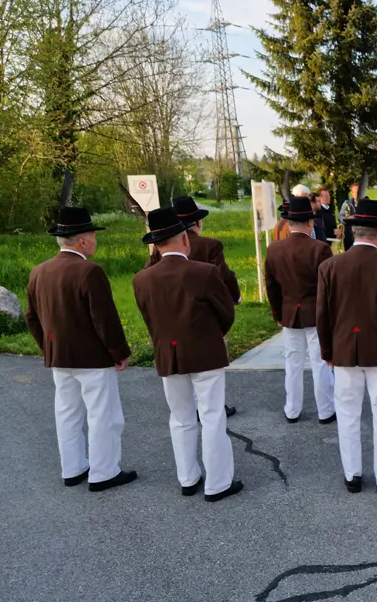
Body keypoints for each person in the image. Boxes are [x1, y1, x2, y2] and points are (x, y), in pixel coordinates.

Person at [133, 208, 242, 502]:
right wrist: (214, 334)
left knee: (180, 418)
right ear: (184, 239)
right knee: (211, 416)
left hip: (168, 353)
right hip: (205, 350)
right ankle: (217, 482)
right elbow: (225, 312)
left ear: (155, 244)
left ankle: (187, 477)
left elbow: (149, 317)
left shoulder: (141, 279)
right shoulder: (203, 272)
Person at [25, 206, 136, 492]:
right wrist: (119, 351)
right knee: (104, 415)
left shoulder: (39, 272)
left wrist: (47, 348)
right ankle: (103, 472)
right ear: (82, 241)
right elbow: (105, 319)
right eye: (93, 237)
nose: (95, 242)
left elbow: (32, 317)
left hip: (58, 356)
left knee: (67, 413)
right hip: (93, 359)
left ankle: (72, 468)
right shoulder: (89, 271)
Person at [317, 197, 377, 496]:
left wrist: (326, 351)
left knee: (347, 413)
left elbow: (322, 314)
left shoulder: (330, 266)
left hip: (345, 350)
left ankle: (353, 475)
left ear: (353, 231)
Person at [145, 194, 241, 417]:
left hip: (169, 322)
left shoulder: (159, 252)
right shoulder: (210, 245)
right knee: (209, 376)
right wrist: (233, 300)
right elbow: (224, 276)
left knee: (180, 410)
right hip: (205, 320)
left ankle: (195, 408)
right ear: (197, 223)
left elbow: (148, 274)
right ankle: (211, 405)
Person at [264, 196, 336, 425]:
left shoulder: (274, 249)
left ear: (289, 223)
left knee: (293, 364)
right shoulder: (320, 249)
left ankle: (292, 409)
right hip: (316, 313)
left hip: (289, 313)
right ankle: (325, 409)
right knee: (320, 362)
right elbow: (330, 288)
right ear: (310, 223)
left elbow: (272, 286)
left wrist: (278, 314)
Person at [338, 182, 360, 250]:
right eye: (356, 192)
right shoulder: (347, 203)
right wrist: (347, 219)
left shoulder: (366, 203)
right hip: (349, 235)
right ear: (352, 193)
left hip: (361, 234)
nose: (358, 195)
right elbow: (340, 217)